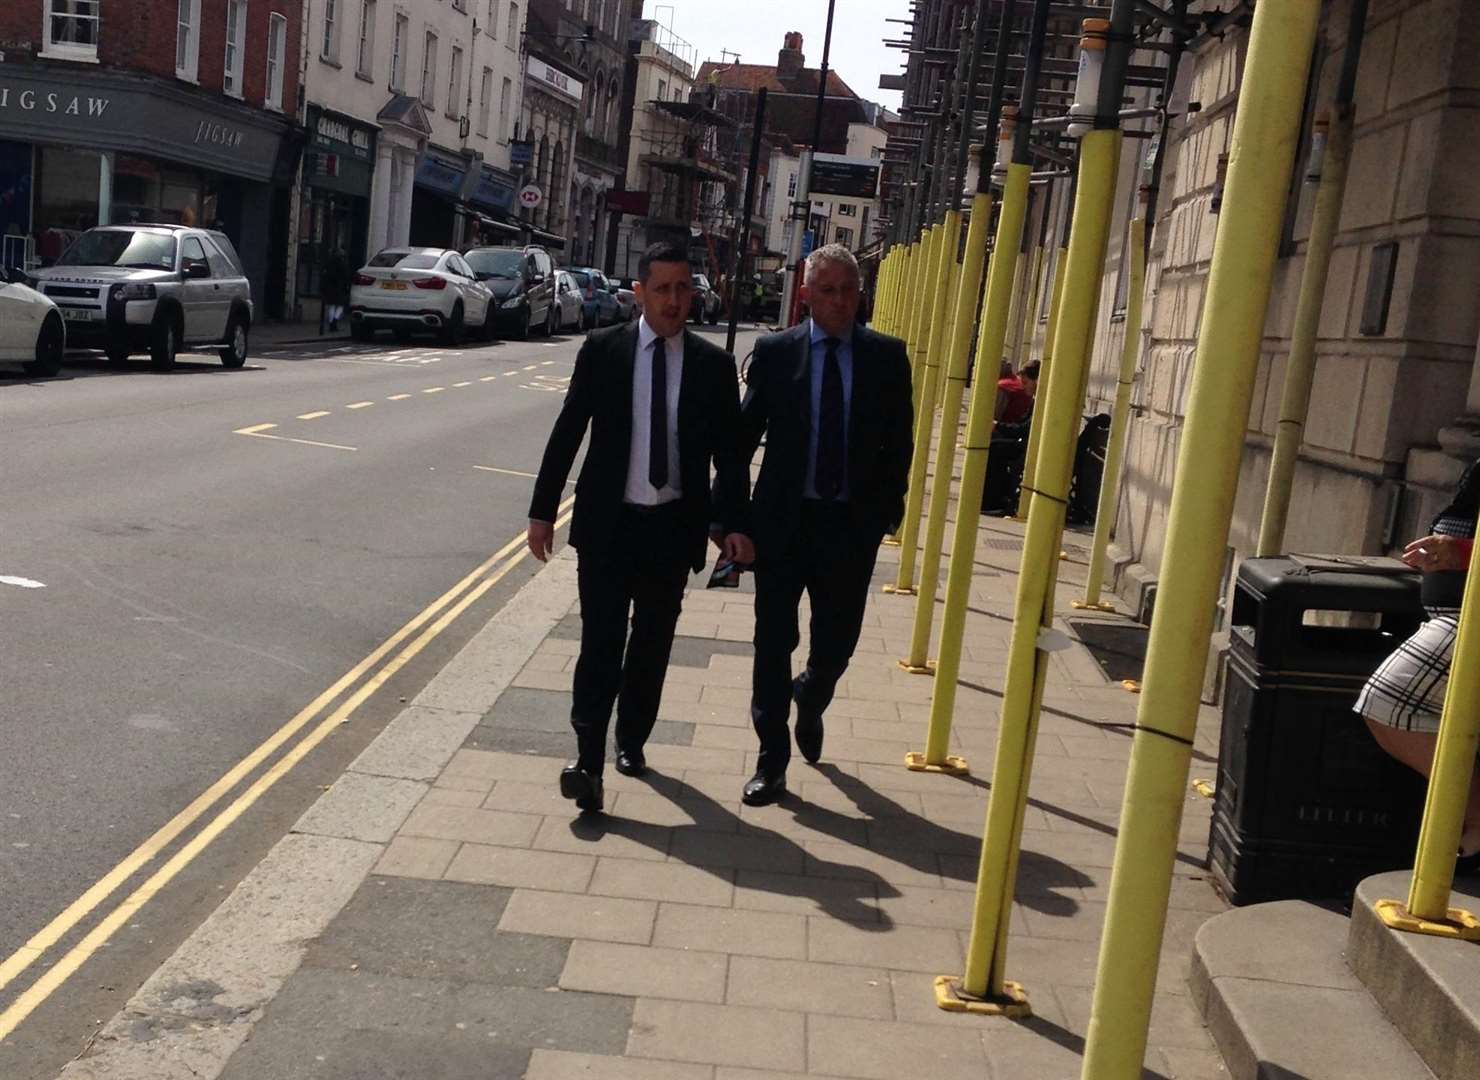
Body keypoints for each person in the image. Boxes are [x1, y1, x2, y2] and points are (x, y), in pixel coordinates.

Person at [527, 240, 754, 814]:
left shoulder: (713, 365)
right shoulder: (604, 350)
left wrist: (732, 524)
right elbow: (569, 428)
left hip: (671, 527)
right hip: (609, 524)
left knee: (651, 643)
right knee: (600, 642)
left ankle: (632, 738)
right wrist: (542, 509)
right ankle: (587, 761)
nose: (674, 301)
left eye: (682, 289)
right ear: (639, 294)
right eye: (662, 289)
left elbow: (729, 456)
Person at [734, 243, 914, 806]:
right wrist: (729, 518)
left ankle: (811, 694)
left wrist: (887, 510)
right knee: (772, 642)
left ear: (862, 296)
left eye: (849, 291)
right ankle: (771, 761)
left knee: (837, 641)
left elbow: (898, 444)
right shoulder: (775, 353)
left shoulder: (887, 357)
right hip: (783, 524)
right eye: (828, 290)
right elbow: (739, 442)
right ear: (807, 295)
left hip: (848, 527)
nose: (839, 302)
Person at [1356, 457, 1480, 873]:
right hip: (1454, 606)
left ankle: (1473, 826)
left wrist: (1461, 551)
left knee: (1391, 700)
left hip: (1469, 614)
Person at [995, 359, 1039, 424]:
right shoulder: (1035, 402)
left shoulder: (1003, 386)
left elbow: (1023, 428)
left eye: (1025, 383)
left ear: (1037, 380)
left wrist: (997, 426)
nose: (1023, 387)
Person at [321, 246, 350, 332]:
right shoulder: (343, 264)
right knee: (340, 306)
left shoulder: (329, 263)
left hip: (330, 287)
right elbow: (346, 276)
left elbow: (324, 274)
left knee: (332, 306)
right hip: (339, 287)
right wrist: (347, 286)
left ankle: (331, 323)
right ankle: (335, 321)